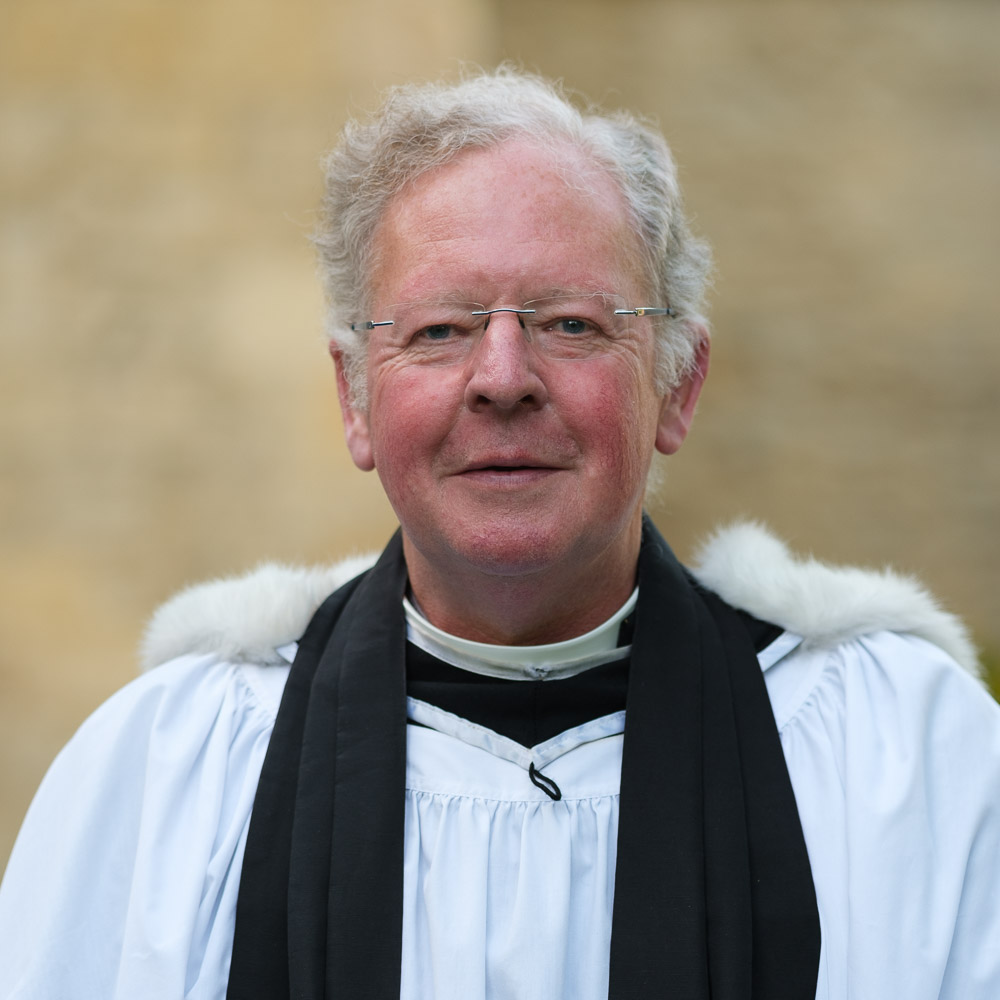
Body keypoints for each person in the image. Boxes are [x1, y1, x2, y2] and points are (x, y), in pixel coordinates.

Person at [1, 67, 998, 1000]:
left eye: (570, 323)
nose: (504, 377)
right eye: (439, 329)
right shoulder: (171, 772)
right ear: (353, 396)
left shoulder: (899, 763)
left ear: (676, 386)